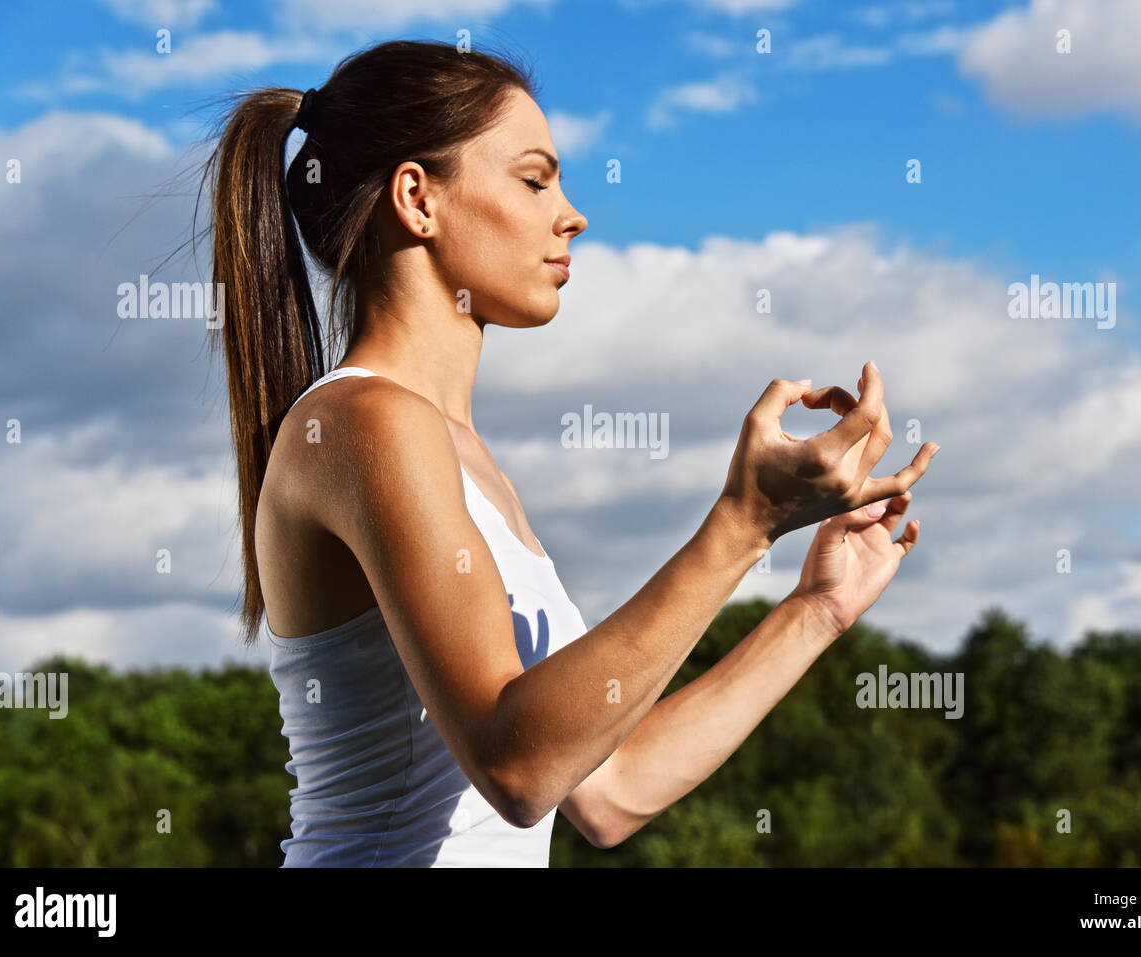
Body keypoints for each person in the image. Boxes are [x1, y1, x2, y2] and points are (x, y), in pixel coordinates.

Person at [199, 39, 939, 866]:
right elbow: (516, 765)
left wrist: (814, 612)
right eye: (534, 177)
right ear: (417, 198)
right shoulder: (361, 421)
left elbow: (607, 789)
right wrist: (745, 522)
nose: (572, 213)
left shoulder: (464, 460)